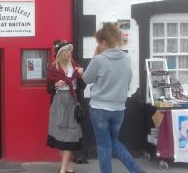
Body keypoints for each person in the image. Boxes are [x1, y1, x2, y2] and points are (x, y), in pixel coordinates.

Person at [83, 23, 144, 173]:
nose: (98, 45)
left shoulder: (99, 59)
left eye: (98, 42)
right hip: (119, 108)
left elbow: (86, 78)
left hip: (99, 108)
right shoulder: (126, 58)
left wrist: (95, 57)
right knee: (113, 142)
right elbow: (128, 79)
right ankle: (136, 170)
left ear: (103, 42)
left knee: (104, 145)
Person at [46, 39, 84, 173]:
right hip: (58, 102)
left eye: (70, 50)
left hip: (72, 101)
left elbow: (82, 87)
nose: (70, 53)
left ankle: (63, 168)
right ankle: (67, 165)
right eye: (67, 50)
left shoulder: (75, 66)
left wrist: (81, 75)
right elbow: (49, 89)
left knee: (71, 134)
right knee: (59, 133)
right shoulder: (53, 68)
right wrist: (56, 85)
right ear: (61, 53)